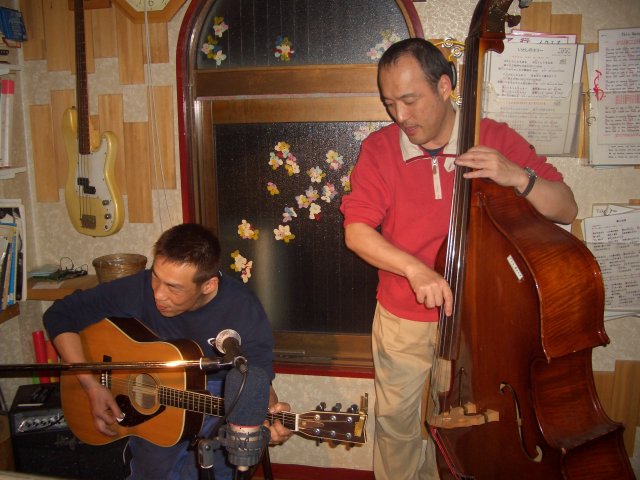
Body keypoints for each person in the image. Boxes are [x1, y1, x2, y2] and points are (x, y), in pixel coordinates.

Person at [340, 38, 578, 480]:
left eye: (409, 100)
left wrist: (516, 176)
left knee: (468, 425)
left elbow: (565, 208)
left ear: (445, 86)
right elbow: (356, 232)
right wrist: (415, 269)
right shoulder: (379, 149)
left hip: (479, 321)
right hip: (403, 317)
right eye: (390, 104)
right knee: (396, 427)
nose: (400, 116)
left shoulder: (493, 137)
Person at [43, 223, 292, 480]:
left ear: (208, 285)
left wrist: (267, 415)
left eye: (173, 287)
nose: (158, 294)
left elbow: (257, 376)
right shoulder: (140, 288)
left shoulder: (242, 308)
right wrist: (91, 385)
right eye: (156, 277)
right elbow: (60, 315)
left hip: (219, 404)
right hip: (156, 406)